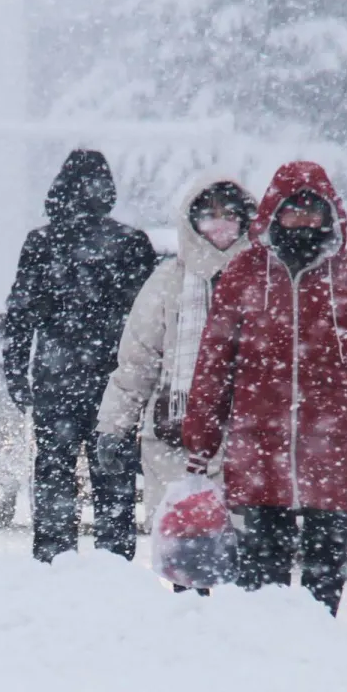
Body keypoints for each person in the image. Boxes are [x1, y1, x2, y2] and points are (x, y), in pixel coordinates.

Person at [181, 161, 347, 616]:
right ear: (275, 214)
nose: (303, 222)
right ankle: (266, 654)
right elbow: (214, 364)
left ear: (329, 216)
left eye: (313, 213)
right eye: (293, 212)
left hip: (330, 447)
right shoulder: (244, 275)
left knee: (325, 571)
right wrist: (201, 439)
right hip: (260, 447)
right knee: (263, 572)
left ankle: (320, 647)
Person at [4, 149, 158, 563]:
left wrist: (17, 371)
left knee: (55, 469)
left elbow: (20, 315)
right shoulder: (131, 243)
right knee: (114, 471)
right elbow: (149, 321)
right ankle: (114, 559)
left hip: (57, 379)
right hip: (115, 380)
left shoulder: (41, 242)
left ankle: (55, 556)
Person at [95, 174, 255, 524]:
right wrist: (113, 428)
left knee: (242, 556)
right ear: (192, 220)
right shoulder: (168, 281)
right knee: (185, 545)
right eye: (209, 214)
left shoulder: (264, 280)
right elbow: (137, 363)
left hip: (246, 436)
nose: (220, 224)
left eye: (229, 214)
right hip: (175, 436)